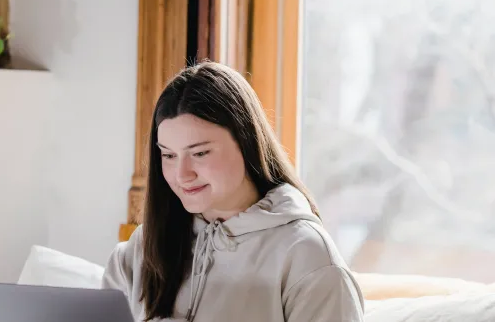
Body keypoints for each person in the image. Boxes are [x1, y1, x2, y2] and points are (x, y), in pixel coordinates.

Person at [102, 61, 364, 321]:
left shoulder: (308, 258)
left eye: (200, 153)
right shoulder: (139, 251)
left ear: (246, 141)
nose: (182, 174)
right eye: (168, 155)